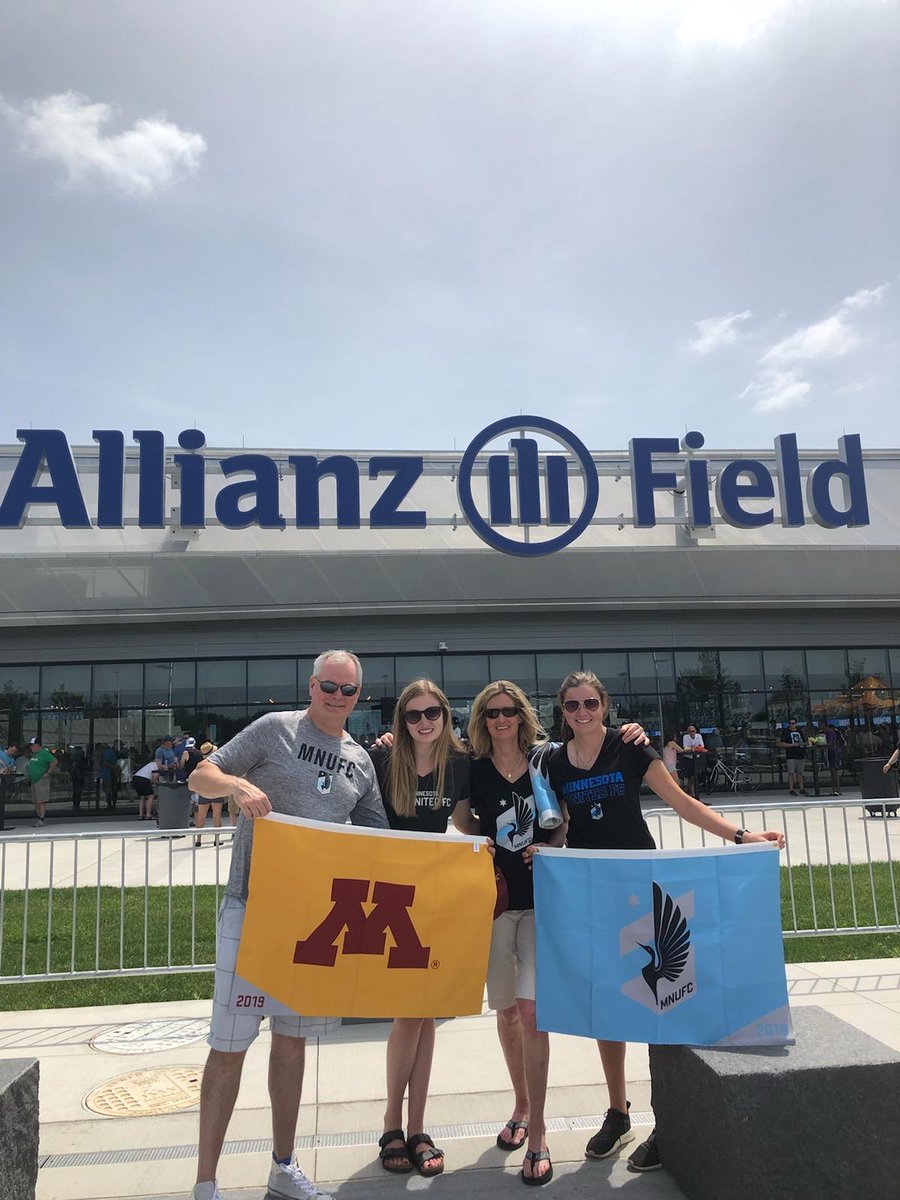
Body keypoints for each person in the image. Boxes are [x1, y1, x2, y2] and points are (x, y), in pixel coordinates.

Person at [546, 670, 785, 1174]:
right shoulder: (555, 763)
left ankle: (667, 1119)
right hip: (595, 892)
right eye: (572, 705)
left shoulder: (632, 748)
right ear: (562, 711)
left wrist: (742, 837)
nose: (582, 713)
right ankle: (618, 1113)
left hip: (641, 887)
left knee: (660, 1000)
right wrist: (543, 856)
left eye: (590, 703)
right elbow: (562, 826)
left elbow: (683, 804)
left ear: (605, 704)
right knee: (606, 1004)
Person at [188, 650, 387, 1200]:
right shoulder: (274, 729)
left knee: (293, 1044)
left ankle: (283, 1167)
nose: (337, 697)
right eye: (329, 686)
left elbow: (380, 839)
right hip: (251, 908)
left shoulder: (360, 761)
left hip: (317, 923)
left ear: (358, 696)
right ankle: (205, 1183)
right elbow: (200, 775)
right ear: (311, 684)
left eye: (348, 690)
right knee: (229, 1046)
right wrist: (236, 786)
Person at [368, 680, 470, 1178]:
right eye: (413, 715)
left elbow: (467, 822)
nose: (424, 722)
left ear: (446, 716)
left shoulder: (461, 764)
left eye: (432, 713)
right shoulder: (382, 761)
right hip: (391, 897)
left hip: (434, 894)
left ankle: (415, 1127)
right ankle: (393, 1124)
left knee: (425, 1014)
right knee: (410, 1013)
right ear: (401, 721)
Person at [192, 741, 225, 846]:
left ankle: (198, 840)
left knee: (201, 816)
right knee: (217, 816)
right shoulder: (217, 764)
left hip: (204, 791)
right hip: (216, 790)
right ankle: (217, 839)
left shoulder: (200, 765)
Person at [26, 737, 57, 827]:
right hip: (34, 780)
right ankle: (39, 817)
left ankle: (42, 819)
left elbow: (54, 761)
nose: (31, 747)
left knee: (41, 800)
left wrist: (48, 772)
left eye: (32, 745)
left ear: (38, 745)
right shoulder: (34, 754)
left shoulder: (44, 753)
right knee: (36, 800)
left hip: (41, 780)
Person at [779, 717, 808, 796]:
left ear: (796, 724)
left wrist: (803, 745)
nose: (792, 725)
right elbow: (782, 743)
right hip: (791, 755)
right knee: (791, 772)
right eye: (790, 723)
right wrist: (793, 745)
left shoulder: (800, 731)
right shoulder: (785, 732)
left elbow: (804, 741)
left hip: (800, 754)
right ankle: (791, 789)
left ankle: (801, 788)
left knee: (800, 772)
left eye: (793, 723)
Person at [679, 724, 705, 797]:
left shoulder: (698, 736)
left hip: (696, 757)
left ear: (695, 731)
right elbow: (685, 747)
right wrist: (695, 748)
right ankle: (692, 793)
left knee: (694, 775)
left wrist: (693, 748)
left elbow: (702, 746)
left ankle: (687, 790)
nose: (692, 733)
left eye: (693, 731)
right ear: (688, 732)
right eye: (690, 731)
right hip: (688, 758)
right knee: (690, 775)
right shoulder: (685, 737)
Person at [823, 722, 844, 795]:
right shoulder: (834, 732)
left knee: (834, 770)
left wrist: (822, 744)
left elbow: (831, 743)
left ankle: (836, 789)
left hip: (833, 752)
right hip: (835, 751)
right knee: (834, 770)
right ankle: (835, 789)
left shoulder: (830, 732)